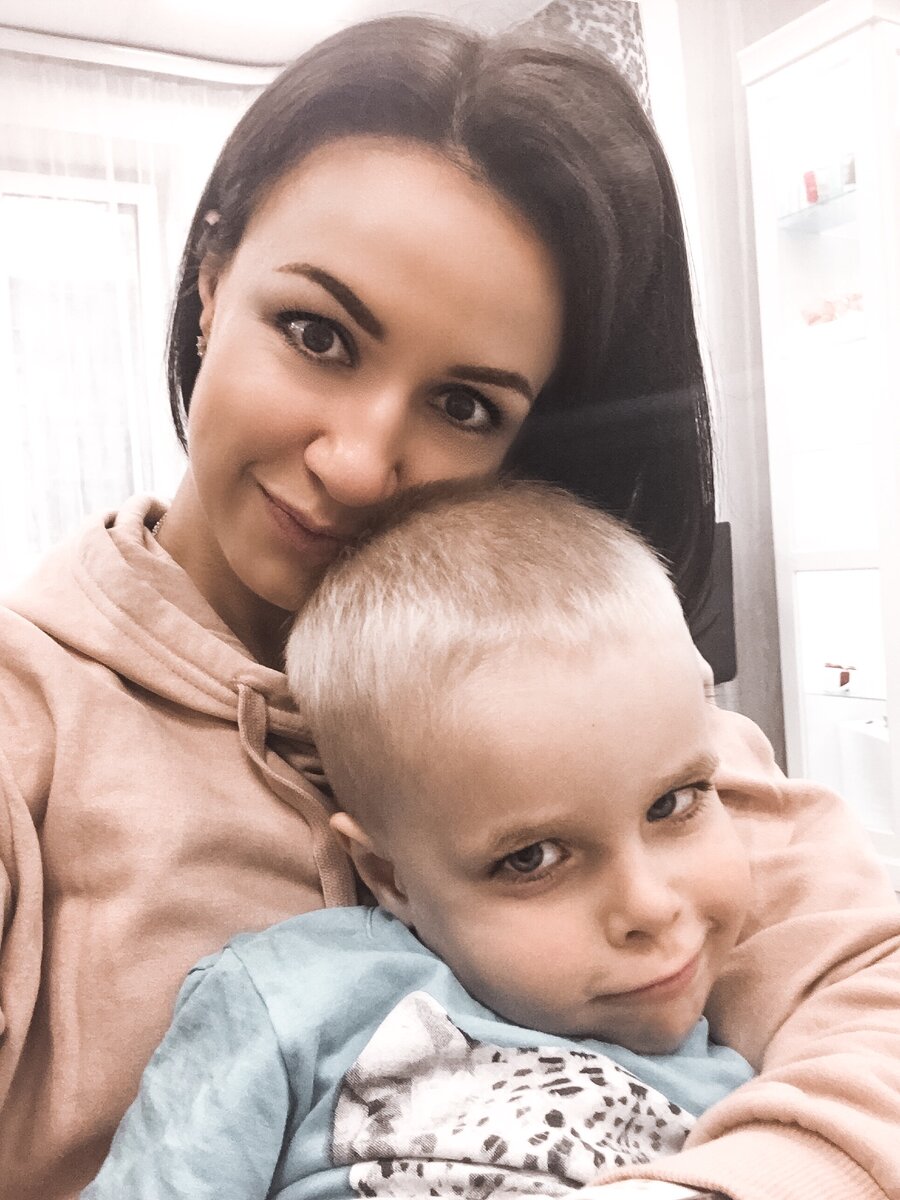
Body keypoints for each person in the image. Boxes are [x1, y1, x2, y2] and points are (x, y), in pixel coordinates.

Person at [0, 13, 897, 1200]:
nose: (358, 463)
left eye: (466, 406)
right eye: (317, 335)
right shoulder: (26, 729)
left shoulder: (623, 729)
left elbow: (868, 994)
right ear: (212, 282)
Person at [82, 480, 758, 1199]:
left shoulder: (759, 1095)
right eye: (532, 858)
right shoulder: (300, 997)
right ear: (389, 876)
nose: (651, 907)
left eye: (674, 803)